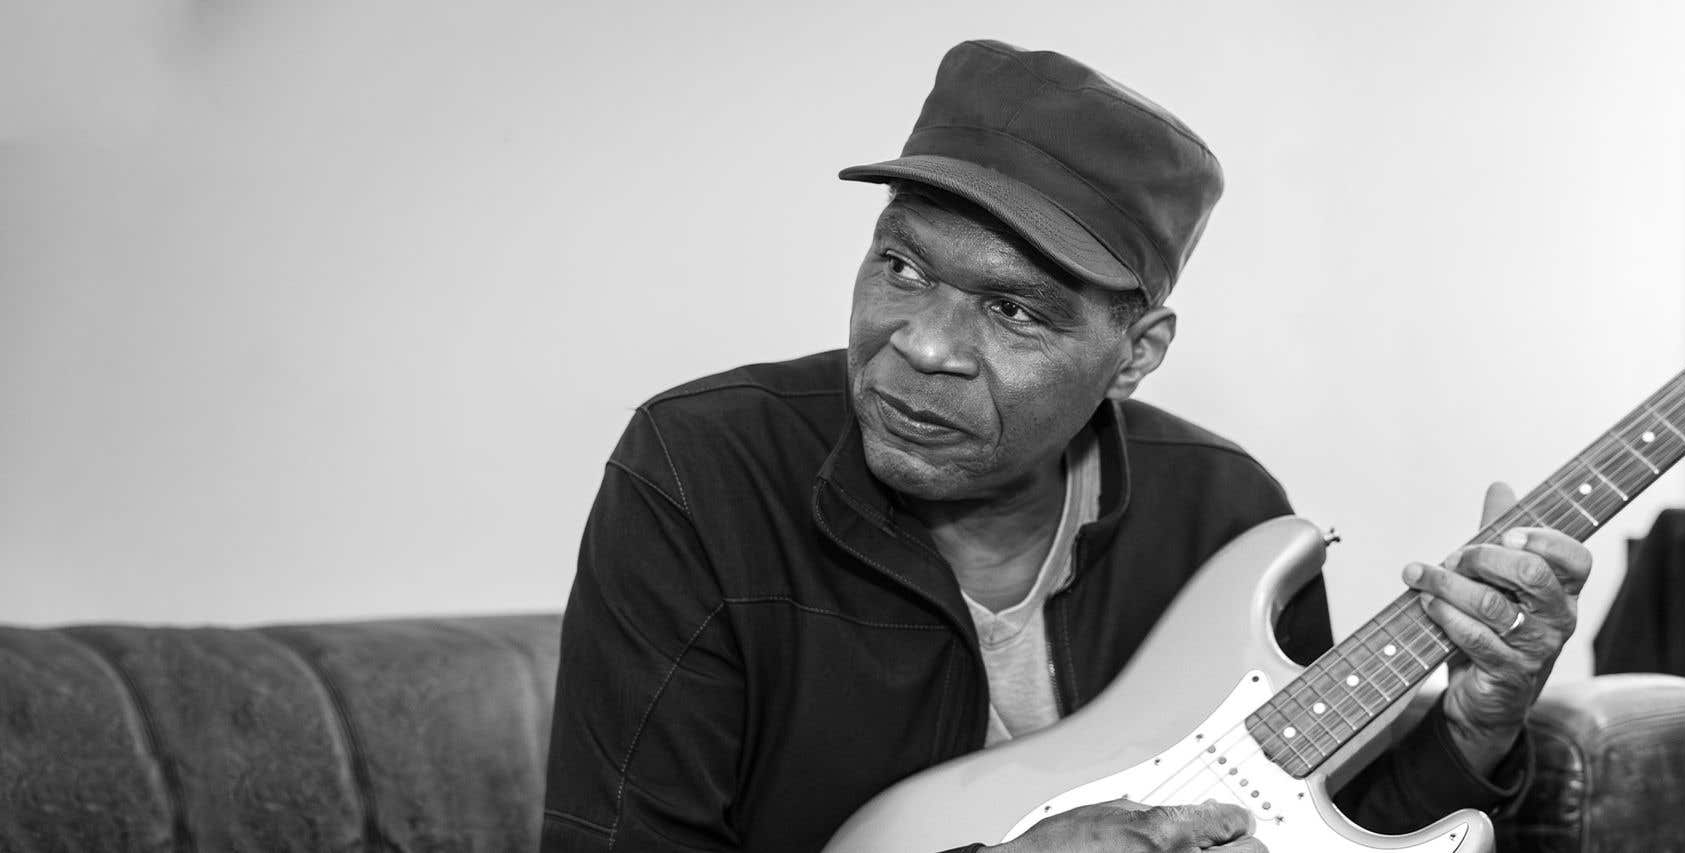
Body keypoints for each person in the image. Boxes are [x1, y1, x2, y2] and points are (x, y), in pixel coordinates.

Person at [540, 39, 1591, 853]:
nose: (922, 345)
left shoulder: (1228, 517)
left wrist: (1474, 724)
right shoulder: (701, 471)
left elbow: (1295, 826)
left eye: (1012, 310)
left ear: (1136, 354)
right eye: (902, 267)